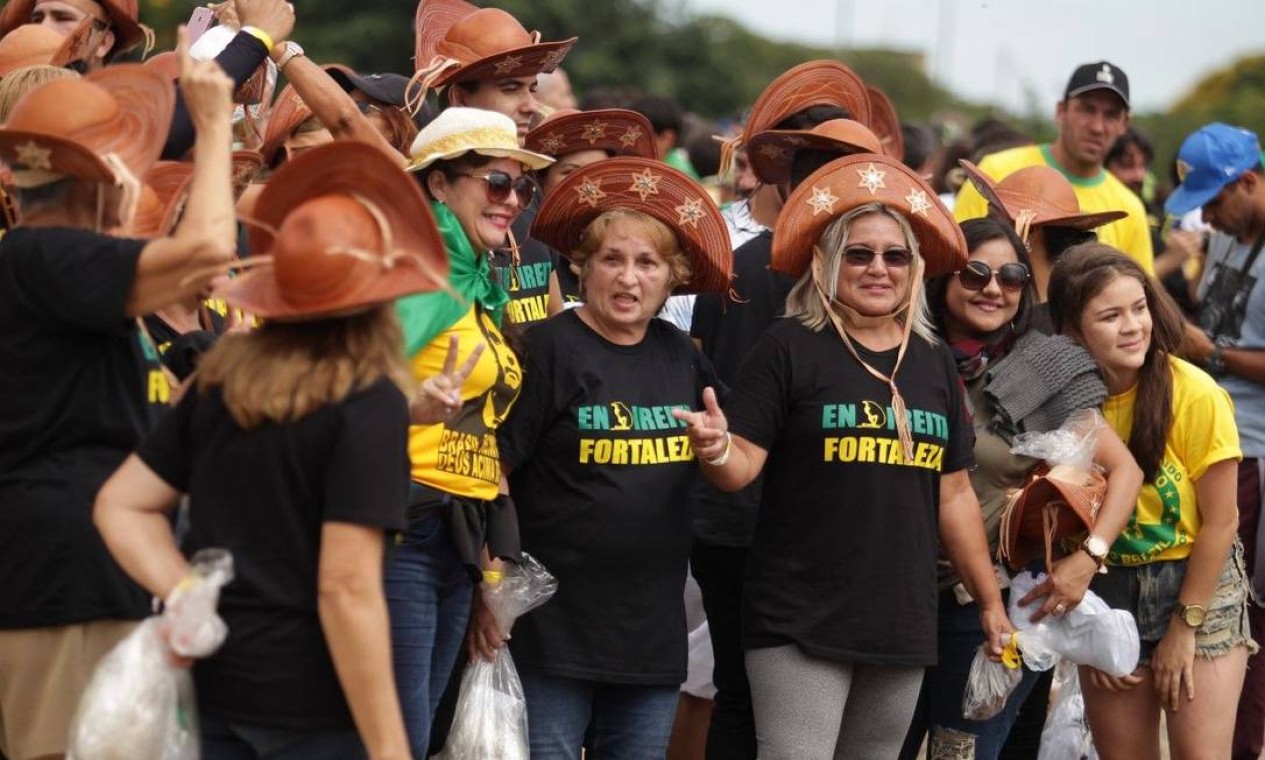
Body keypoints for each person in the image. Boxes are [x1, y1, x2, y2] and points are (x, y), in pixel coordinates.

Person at [93, 140, 449, 760]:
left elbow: (121, 506)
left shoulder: (221, 378)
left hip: (216, 694)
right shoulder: (367, 404)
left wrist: (187, 595)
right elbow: (345, 588)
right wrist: (391, 747)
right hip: (317, 709)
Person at [679, 153, 1014, 759]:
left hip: (900, 616)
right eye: (859, 253)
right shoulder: (789, 347)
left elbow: (955, 493)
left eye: (895, 256)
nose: (878, 269)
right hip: (799, 613)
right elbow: (741, 468)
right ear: (825, 263)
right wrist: (715, 447)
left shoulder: (933, 361)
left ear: (916, 269)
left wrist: (990, 604)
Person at [0, 37, 237, 760]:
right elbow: (205, 251)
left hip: (78, 562)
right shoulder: (45, 255)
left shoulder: (54, 273)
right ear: (103, 179)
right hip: (65, 570)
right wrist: (218, 126)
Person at [473, 155, 729, 758]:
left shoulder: (682, 356)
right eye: (612, 260)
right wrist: (492, 590)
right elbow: (493, 473)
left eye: (648, 264)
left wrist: (718, 448)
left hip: (649, 637)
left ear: (673, 278)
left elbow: (728, 460)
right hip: (550, 635)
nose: (629, 278)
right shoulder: (548, 349)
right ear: (581, 269)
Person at [901, 217, 1143, 760]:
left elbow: (1125, 472)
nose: (993, 287)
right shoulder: (901, 352)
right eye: (975, 272)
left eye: (1010, 276)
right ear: (942, 276)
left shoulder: (1041, 365)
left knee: (958, 754)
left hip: (984, 605)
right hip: (891, 594)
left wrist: (1088, 559)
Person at [688, 60, 873, 760]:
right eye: (825, 175)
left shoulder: (875, 279)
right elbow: (710, 384)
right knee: (752, 700)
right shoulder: (737, 270)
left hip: (809, 529)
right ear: (792, 184)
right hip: (752, 524)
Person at [1048, 244, 1255, 760]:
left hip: (1195, 585)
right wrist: (1088, 623)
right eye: (1111, 316)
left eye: (1139, 308)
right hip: (1109, 590)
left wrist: (1185, 628)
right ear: (1073, 331)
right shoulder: (1062, 400)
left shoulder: (1195, 393)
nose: (1133, 326)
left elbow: (1222, 522)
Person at [391, 106, 552, 755]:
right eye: (495, 183)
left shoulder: (472, 281)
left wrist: (493, 553)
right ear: (437, 185)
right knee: (394, 733)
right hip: (399, 527)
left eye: (522, 187)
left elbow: (483, 430)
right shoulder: (418, 275)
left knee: (420, 724)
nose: (512, 200)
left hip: (456, 533)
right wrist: (406, 402)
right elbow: (340, 385)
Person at [1164, 123, 1265, 760]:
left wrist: (1211, 351)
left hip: (1255, 449)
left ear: (1250, 182)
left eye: (1215, 198)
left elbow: (1225, 341)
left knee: (1245, 610)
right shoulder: (1228, 237)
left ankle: (1240, 746)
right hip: (1212, 440)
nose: (1206, 214)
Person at [954, 61, 1154, 273]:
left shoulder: (1129, 209)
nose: (1097, 127)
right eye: (1087, 110)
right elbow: (956, 258)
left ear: (1124, 124)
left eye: (1111, 115)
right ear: (1061, 111)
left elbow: (1139, 291)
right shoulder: (997, 169)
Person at [523, 106, 657, 310]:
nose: (586, 186)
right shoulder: (523, 247)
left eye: (598, 174)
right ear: (540, 181)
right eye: (569, 173)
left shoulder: (635, 250)